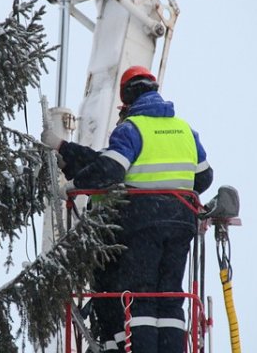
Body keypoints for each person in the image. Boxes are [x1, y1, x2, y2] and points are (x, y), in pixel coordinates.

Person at [41, 65, 213, 353]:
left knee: (141, 296)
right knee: (170, 296)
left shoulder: (132, 129)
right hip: (181, 223)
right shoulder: (186, 130)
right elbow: (204, 178)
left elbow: (110, 169)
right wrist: (175, 190)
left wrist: (73, 185)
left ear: (127, 100)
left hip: (142, 222)